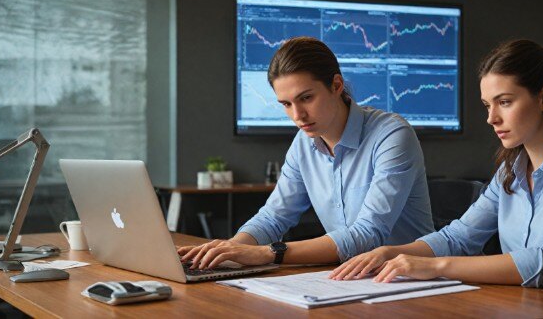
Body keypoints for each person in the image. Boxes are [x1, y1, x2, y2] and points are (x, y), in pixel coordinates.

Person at [330, 39, 543, 292]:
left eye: (504, 102)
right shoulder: (511, 170)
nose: (491, 118)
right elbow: (459, 238)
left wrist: (435, 266)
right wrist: (392, 252)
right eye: (487, 105)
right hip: (525, 308)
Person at [178, 37, 434, 268]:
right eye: (286, 104)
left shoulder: (391, 134)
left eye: (306, 98)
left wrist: (269, 253)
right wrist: (232, 249)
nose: (297, 116)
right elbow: (273, 217)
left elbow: (368, 233)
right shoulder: (303, 143)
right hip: (351, 278)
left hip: (411, 280)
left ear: (336, 85)